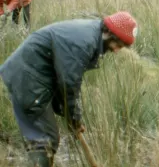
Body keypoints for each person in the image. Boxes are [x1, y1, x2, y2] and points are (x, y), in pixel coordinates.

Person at [0, 11, 138, 167]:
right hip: (26, 78)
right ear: (108, 33)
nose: (116, 50)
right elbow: (69, 84)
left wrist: (69, 117)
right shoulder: (83, 42)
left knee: (47, 138)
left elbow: (63, 80)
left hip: (36, 76)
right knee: (44, 139)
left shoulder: (92, 34)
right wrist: (74, 119)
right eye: (117, 45)